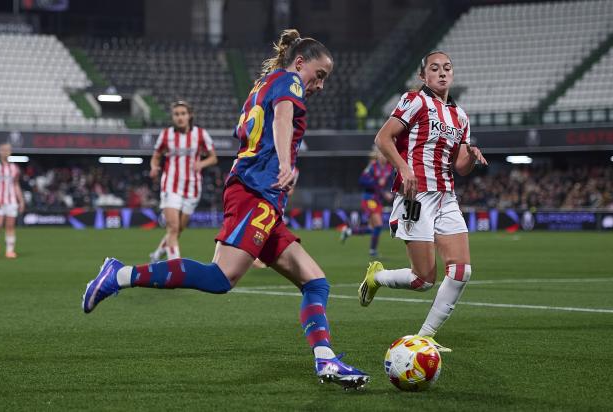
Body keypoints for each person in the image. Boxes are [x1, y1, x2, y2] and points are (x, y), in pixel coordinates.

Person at [82, 29, 369, 389]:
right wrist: (285, 163)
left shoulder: (263, 82)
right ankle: (119, 274)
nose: (320, 85)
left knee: (316, 281)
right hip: (257, 193)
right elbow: (281, 119)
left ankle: (326, 360)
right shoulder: (290, 82)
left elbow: (249, 129)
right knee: (220, 279)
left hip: (258, 194)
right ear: (300, 63)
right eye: (320, 75)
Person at [358, 51, 488, 352]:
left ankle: (425, 336)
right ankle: (377, 276)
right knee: (423, 280)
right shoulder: (415, 100)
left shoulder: (461, 117)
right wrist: (403, 168)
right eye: (435, 68)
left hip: (446, 196)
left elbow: (460, 166)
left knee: (461, 270)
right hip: (416, 196)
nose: (442, 73)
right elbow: (383, 138)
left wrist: (473, 158)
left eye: (447, 68)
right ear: (423, 76)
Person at [148, 100, 218, 261]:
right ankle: (175, 265)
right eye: (176, 114)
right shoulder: (166, 135)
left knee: (178, 230)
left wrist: (202, 163)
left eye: (183, 114)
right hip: (171, 185)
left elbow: (213, 158)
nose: (180, 117)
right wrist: (154, 167)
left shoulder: (200, 134)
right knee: (173, 227)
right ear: (172, 117)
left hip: (192, 187)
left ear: (190, 115)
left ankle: (158, 254)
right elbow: (156, 156)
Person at [340, 148, 394, 257]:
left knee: (372, 229)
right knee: (378, 225)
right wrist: (377, 184)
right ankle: (372, 251)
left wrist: (389, 193)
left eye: (384, 154)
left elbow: (390, 184)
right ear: (377, 155)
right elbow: (362, 180)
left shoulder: (390, 168)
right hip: (369, 199)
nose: (383, 157)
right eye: (381, 154)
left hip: (378, 200)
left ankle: (348, 231)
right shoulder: (372, 167)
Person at [0, 143, 25, 258]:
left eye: (7, 150)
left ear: (10, 152)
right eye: (3, 150)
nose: (5, 152)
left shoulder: (14, 168)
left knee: (10, 226)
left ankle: (10, 251)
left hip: (11, 200)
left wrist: (21, 200)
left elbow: (16, 184)